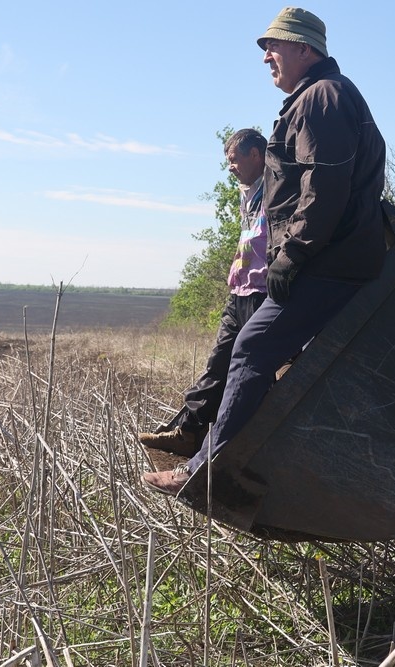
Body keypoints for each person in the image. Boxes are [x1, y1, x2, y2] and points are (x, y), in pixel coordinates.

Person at [143, 7, 387, 495]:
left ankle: (208, 473)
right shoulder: (315, 98)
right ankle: (240, 460)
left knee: (252, 348)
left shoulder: (323, 97)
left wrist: (292, 254)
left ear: (305, 49)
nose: (266, 57)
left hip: (328, 264)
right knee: (260, 353)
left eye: (273, 46)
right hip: (332, 260)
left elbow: (325, 186)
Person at [139, 128, 269, 457]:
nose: (230, 167)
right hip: (240, 291)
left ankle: (236, 446)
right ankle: (188, 432)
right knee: (217, 363)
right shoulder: (248, 191)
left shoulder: (277, 185)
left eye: (234, 159)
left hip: (264, 292)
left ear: (256, 155)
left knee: (247, 369)